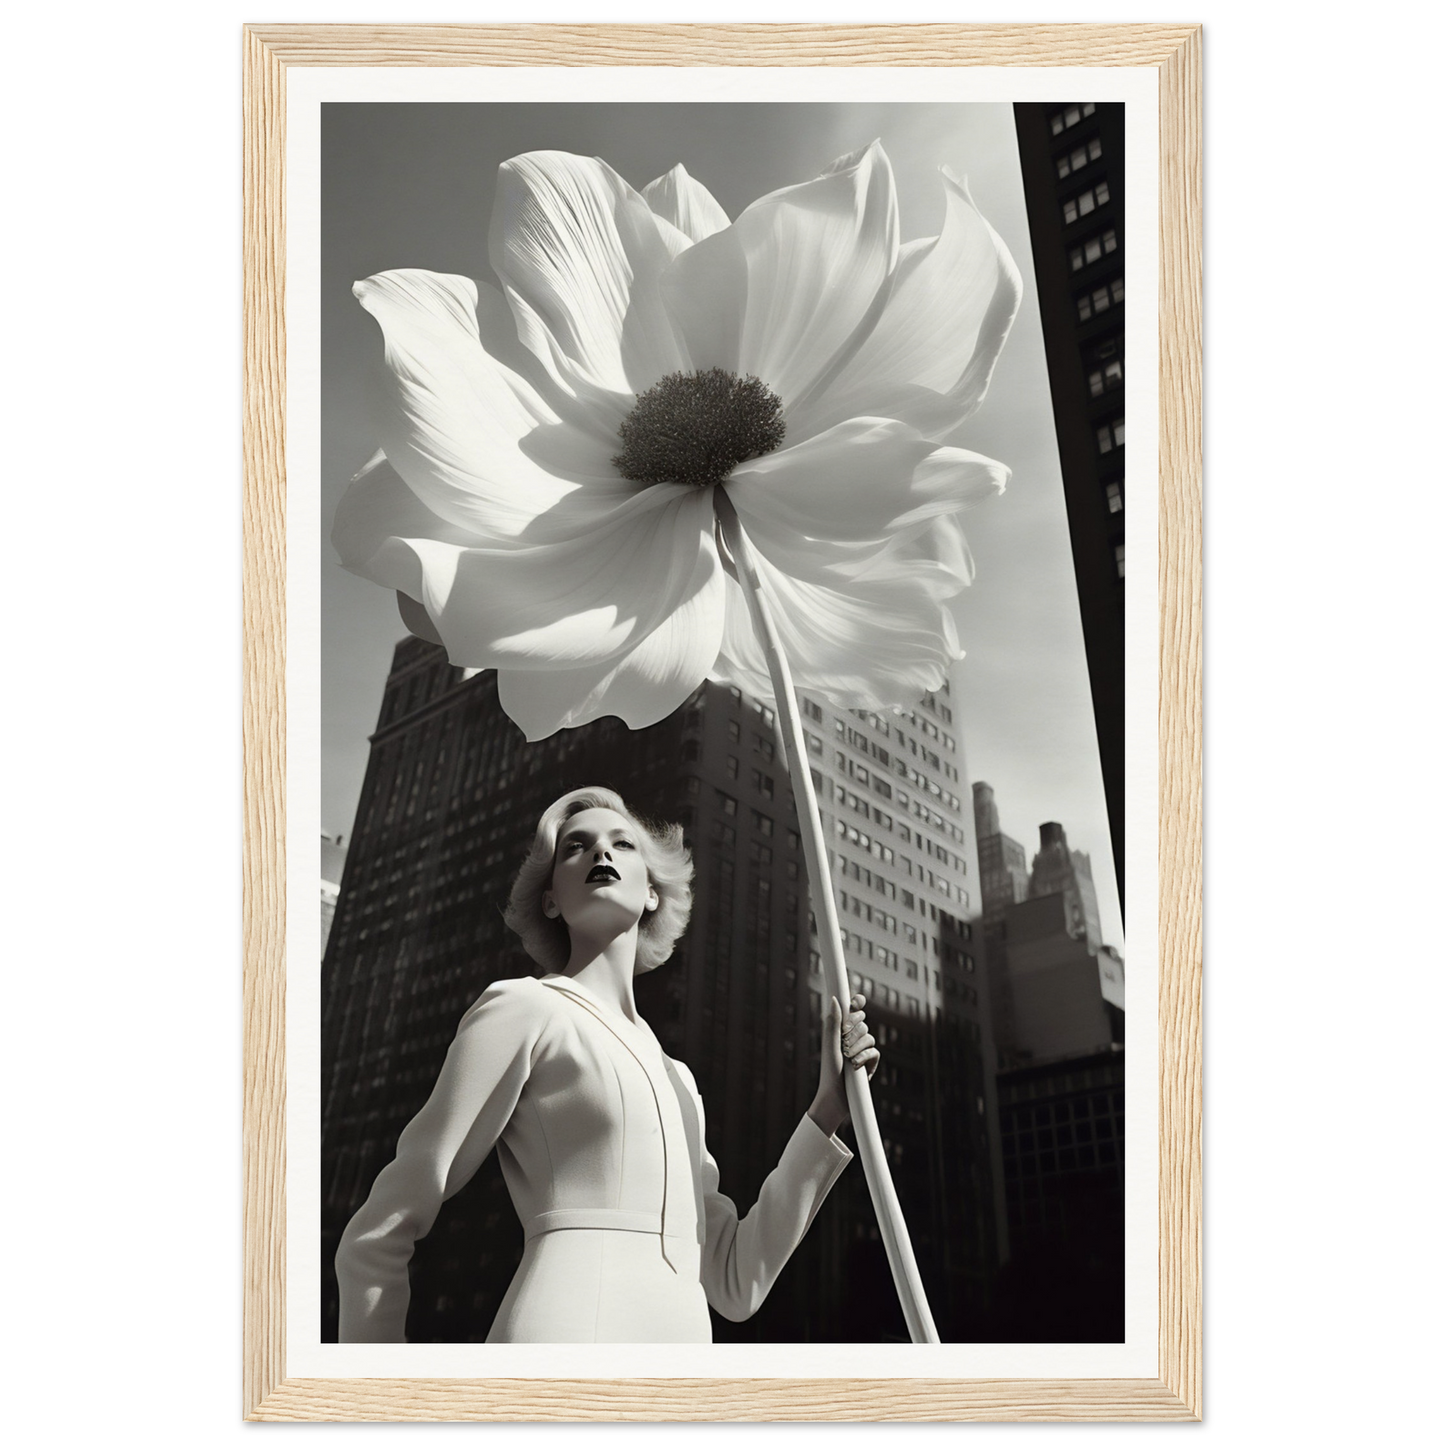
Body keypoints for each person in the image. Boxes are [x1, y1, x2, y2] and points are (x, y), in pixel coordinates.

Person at [335, 785, 880, 1343]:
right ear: (550, 900)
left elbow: (735, 1283)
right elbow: (380, 1232)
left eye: (622, 844)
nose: (601, 854)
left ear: (652, 893)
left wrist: (828, 1109)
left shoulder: (678, 1078)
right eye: (576, 847)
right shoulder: (525, 1008)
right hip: (562, 1342)